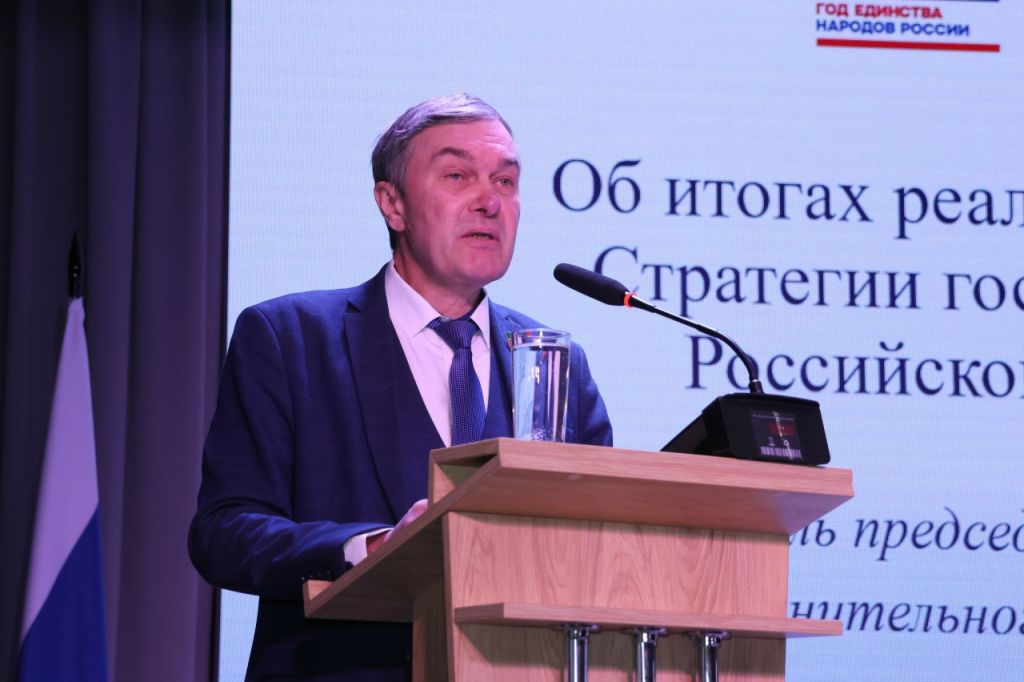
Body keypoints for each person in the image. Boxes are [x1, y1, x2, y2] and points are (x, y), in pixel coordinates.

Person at [188, 94, 613, 681]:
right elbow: (224, 533)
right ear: (392, 204)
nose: (490, 201)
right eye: (458, 176)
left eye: (506, 181)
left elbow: (598, 533)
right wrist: (369, 548)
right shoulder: (288, 338)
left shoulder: (555, 361)